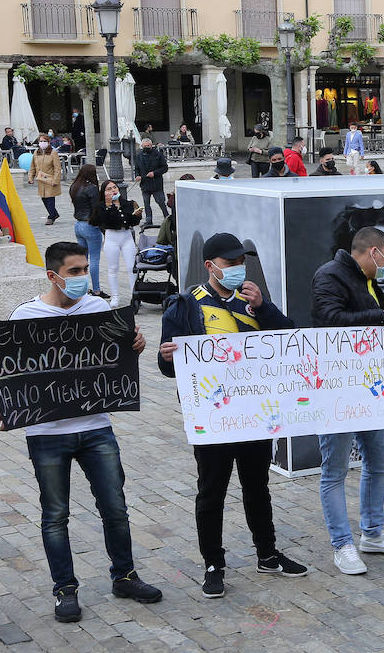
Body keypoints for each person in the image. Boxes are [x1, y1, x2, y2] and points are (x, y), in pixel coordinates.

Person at [4, 242, 161, 622]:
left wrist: (134, 347)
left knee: (116, 508)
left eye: (84, 270)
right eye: (73, 272)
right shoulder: (25, 315)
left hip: (96, 427)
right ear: (52, 275)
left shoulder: (98, 308)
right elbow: (9, 370)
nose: (81, 278)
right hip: (47, 433)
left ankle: (124, 575)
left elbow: (116, 360)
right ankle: (65, 590)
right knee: (55, 515)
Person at [156, 233, 308, 597]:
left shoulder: (253, 301)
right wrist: (166, 357)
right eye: (230, 264)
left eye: (242, 263)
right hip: (212, 417)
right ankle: (213, 564)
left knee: (258, 486)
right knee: (212, 492)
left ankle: (267, 554)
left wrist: (265, 308)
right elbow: (170, 368)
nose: (239, 270)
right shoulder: (185, 305)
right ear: (210, 266)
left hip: (254, 413)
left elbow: (289, 342)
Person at [310, 227, 384, 575]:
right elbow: (331, 320)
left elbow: (378, 324)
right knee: (335, 470)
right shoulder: (330, 275)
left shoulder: (367, 280)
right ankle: (342, 544)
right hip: (337, 390)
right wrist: (381, 315)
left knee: (379, 461)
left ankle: (373, 533)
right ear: (372, 253)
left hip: (370, 389)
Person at [90, 179, 142, 307]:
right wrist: (109, 206)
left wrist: (137, 216)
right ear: (104, 193)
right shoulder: (101, 206)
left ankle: (135, 295)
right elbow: (100, 221)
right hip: (111, 237)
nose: (113, 190)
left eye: (114, 187)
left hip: (126, 236)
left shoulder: (128, 203)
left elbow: (132, 222)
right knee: (113, 268)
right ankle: (115, 296)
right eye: (109, 189)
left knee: (132, 267)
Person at [68, 164, 107, 298]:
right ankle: (96, 290)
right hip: (90, 225)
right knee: (94, 259)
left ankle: (81, 288)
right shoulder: (92, 188)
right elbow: (96, 210)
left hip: (78, 225)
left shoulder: (74, 186)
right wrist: (103, 228)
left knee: (82, 259)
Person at [132, 138, 170, 227]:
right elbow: (136, 168)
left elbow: (165, 167)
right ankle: (148, 220)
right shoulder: (139, 156)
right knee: (146, 203)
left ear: (151, 145)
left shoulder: (158, 154)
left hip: (156, 183)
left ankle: (167, 217)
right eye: (144, 146)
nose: (146, 147)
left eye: (148, 146)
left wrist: (154, 173)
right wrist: (137, 176)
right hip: (145, 184)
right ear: (142, 146)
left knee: (161, 202)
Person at [28, 136, 62, 225]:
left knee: (50, 199)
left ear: (48, 142)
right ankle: (55, 214)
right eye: (41, 141)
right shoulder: (36, 152)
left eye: (44, 141)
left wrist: (55, 180)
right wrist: (30, 177)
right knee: (44, 199)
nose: (42, 143)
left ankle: (51, 217)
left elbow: (57, 168)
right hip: (41, 179)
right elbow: (32, 166)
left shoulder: (53, 153)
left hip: (50, 179)